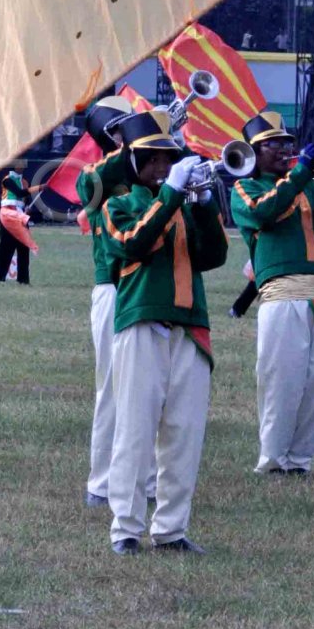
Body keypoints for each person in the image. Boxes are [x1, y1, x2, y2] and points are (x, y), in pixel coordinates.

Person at [102, 110, 229, 555]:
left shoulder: (183, 202)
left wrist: (206, 203)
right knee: (135, 430)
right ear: (133, 161)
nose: (161, 167)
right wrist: (173, 192)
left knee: (185, 432)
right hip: (141, 321)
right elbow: (131, 242)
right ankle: (125, 528)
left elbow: (214, 256)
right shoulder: (118, 204)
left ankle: (172, 528)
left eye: (168, 159)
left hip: (191, 325)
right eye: (152, 159)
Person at [231, 112, 314, 475]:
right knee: (283, 381)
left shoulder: (305, 183)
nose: (285, 149)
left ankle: (300, 461)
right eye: (273, 144)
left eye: (288, 142)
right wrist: (300, 174)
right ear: (253, 153)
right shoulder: (246, 188)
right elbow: (265, 213)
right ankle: (273, 461)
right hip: (283, 294)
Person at [76, 96, 154, 508]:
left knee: (155, 389)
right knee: (112, 385)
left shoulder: (148, 168)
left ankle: (150, 481)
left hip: (154, 286)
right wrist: (133, 144)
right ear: (113, 130)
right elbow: (92, 187)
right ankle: (102, 482)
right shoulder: (93, 173)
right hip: (112, 285)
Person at [0, 163, 40, 284]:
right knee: (5, 248)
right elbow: (19, 193)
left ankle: (23, 279)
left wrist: (27, 208)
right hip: (8, 216)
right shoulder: (7, 180)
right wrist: (39, 187)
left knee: (23, 248)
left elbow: (25, 199)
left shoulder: (24, 182)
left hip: (20, 216)